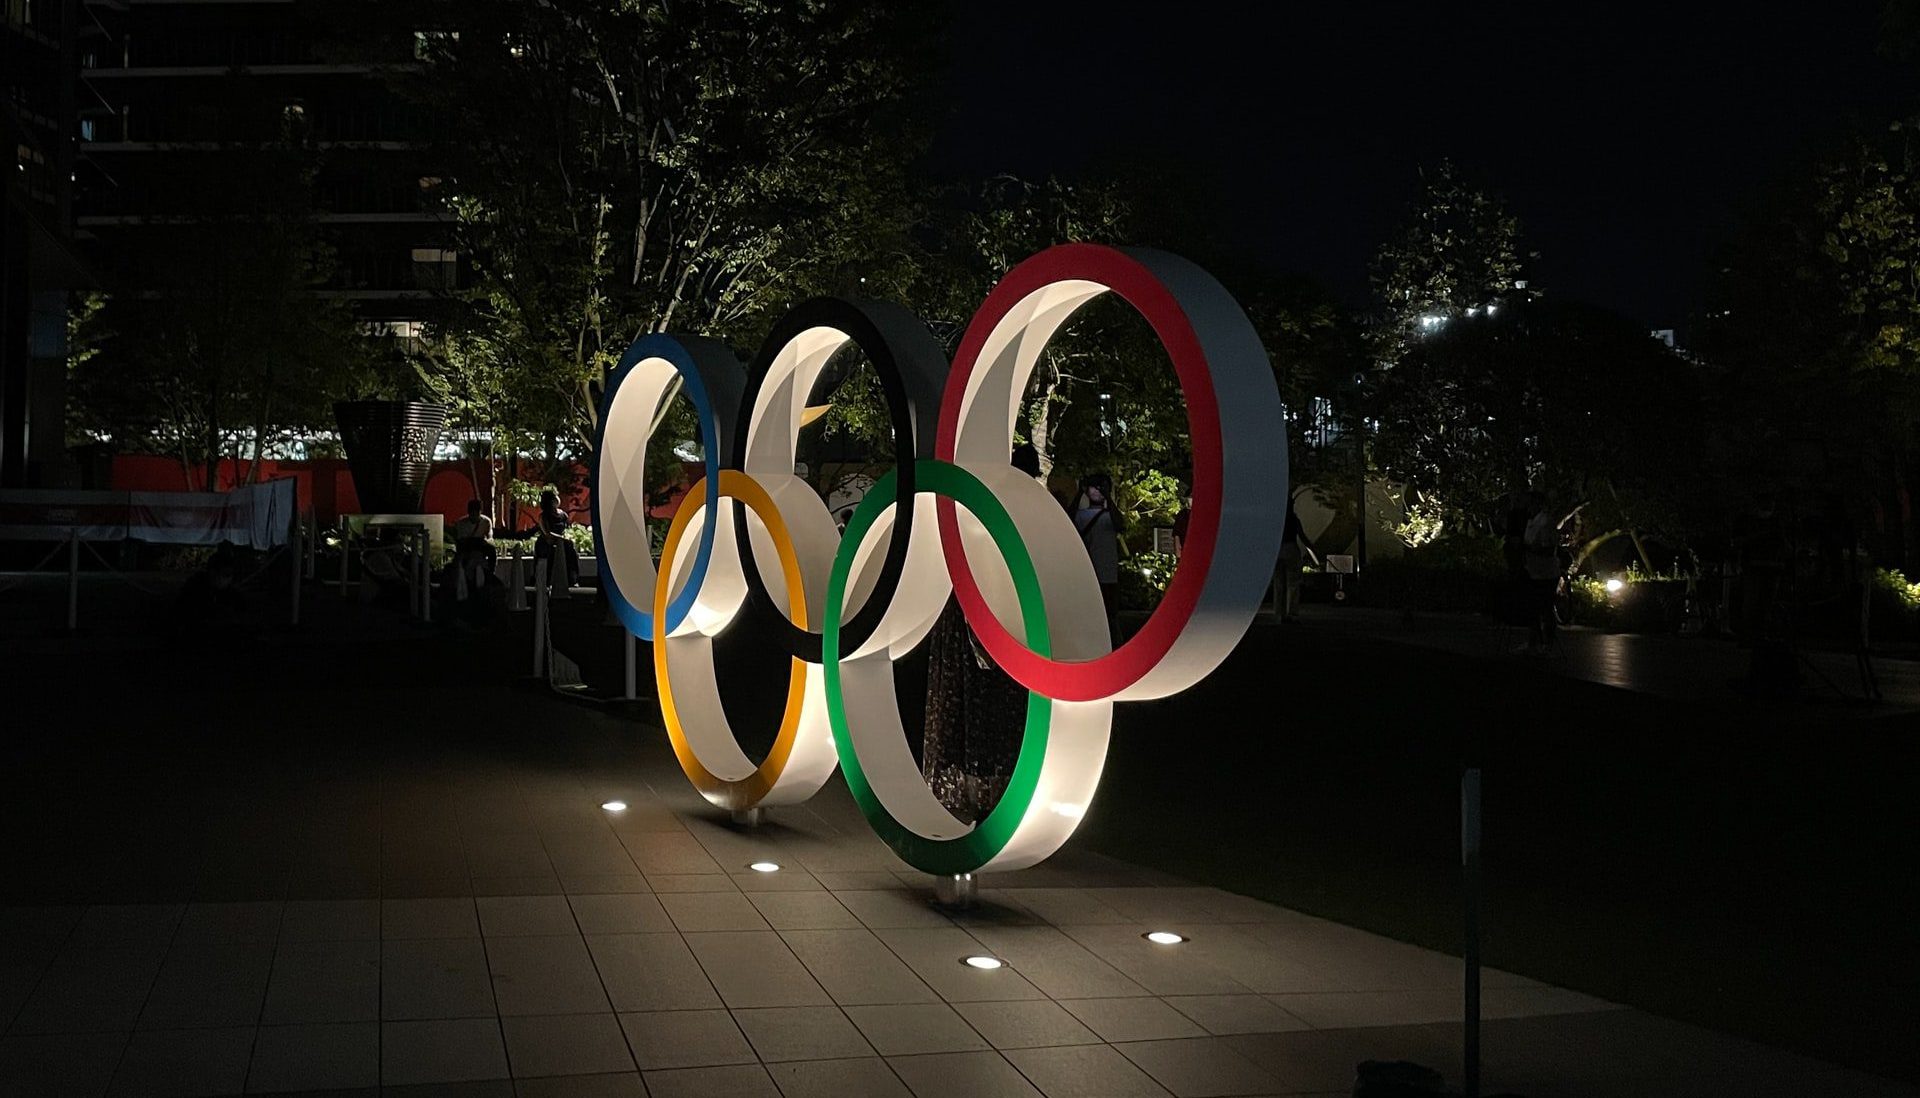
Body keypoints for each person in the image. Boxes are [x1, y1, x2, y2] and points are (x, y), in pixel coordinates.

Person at [1075, 473, 1121, 645]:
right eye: (1093, 487)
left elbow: (1120, 525)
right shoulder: (1081, 514)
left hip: (1107, 573)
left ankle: (1113, 647)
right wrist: (1079, 492)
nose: (1097, 491)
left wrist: (1108, 497)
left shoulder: (1111, 515)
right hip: (1089, 573)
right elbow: (1069, 519)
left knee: (1110, 616)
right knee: (1090, 616)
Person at [1520, 490, 1561, 655]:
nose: (1527, 506)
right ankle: (1534, 643)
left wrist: (1526, 548)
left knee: (1545, 608)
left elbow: (1548, 549)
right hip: (1533, 571)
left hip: (1546, 574)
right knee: (1533, 608)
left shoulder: (1545, 522)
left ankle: (1547, 645)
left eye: (1530, 503)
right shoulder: (1531, 521)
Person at [534, 488, 580, 595]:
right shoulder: (544, 516)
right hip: (548, 542)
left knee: (571, 552)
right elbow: (547, 533)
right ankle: (546, 580)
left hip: (562, 542)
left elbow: (568, 529)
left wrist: (567, 537)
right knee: (550, 553)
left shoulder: (563, 514)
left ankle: (573, 578)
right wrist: (560, 539)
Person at [452, 499, 495, 596]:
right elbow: (460, 541)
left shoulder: (486, 522)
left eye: (477, 513)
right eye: (473, 513)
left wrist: (486, 542)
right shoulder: (461, 523)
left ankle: (490, 573)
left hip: (481, 544)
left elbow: (490, 537)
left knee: (492, 551)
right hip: (467, 545)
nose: (474, 516)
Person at [1274, 494, 1306, 622]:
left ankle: (1278, 613)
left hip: (1277, 549)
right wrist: (1312, 548)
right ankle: (1291, 612)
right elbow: (1302, 536)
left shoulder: (1277, 519)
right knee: (1292, 582)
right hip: (1291, 548)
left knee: (1278, 583)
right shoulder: (1294, 519)